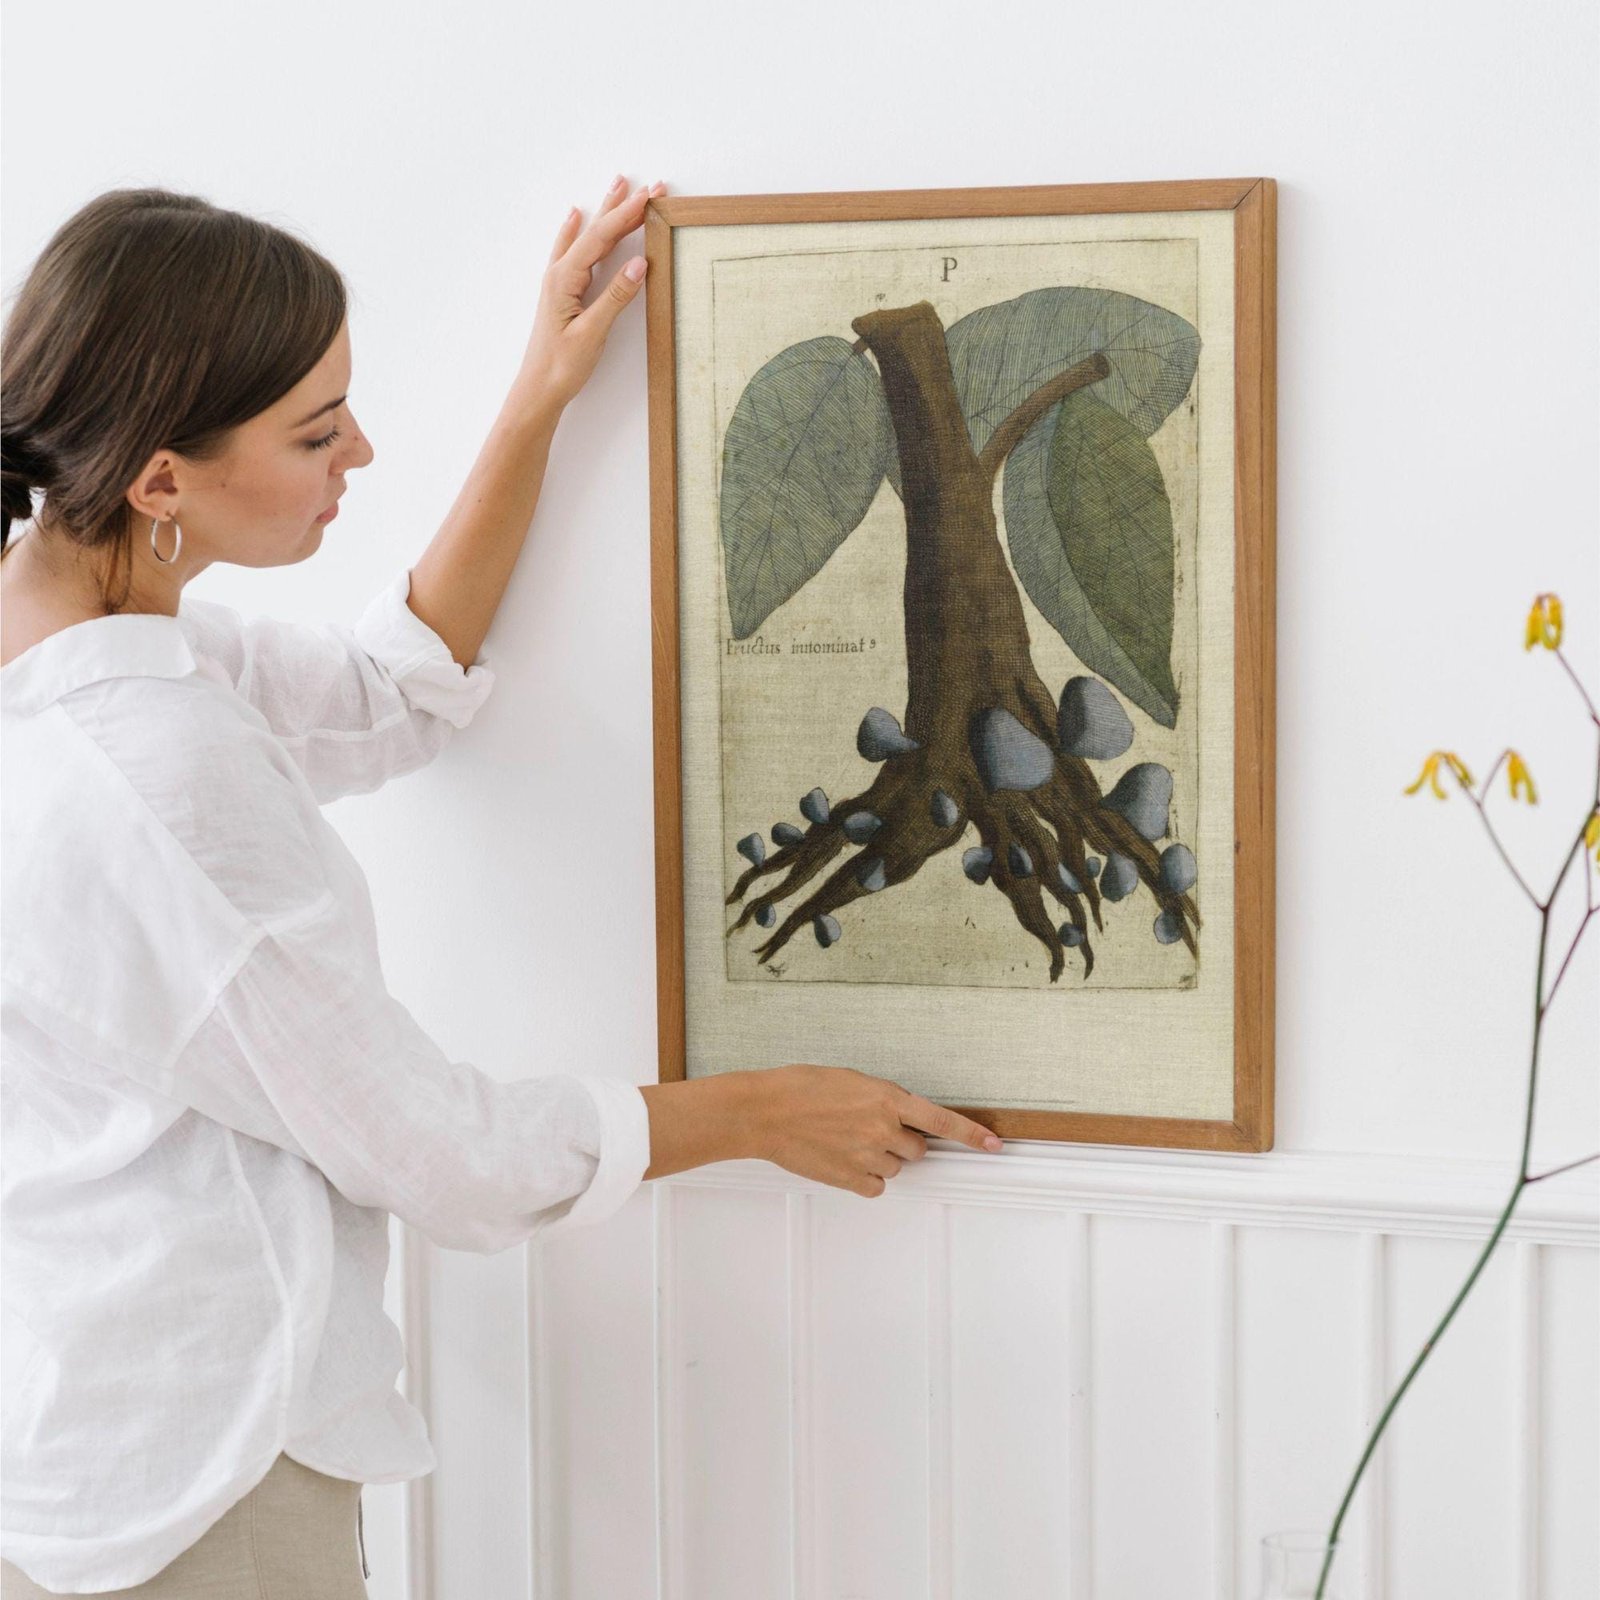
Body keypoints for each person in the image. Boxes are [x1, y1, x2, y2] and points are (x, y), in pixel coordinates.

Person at [0, 178, 1004, 1597]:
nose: (362, 445)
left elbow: (380, 692)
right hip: (195, 1493)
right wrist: (757, 1112)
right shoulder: (152, 778)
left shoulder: (68, 639)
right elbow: (434, 1151)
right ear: (160, 479)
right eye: (313, 430)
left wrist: (542, 398)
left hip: (70, 1437)